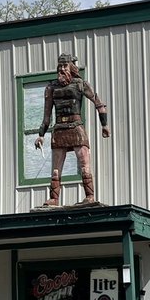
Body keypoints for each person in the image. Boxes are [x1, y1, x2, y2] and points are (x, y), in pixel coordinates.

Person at [35, 53, 110, 206]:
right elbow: (46, 116)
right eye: (60, 66)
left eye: (65, 66)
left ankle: (89, 196)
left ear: (71, 67)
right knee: (55, 168)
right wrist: (41, 135)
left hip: (76, 127)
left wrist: (104, 125)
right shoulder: (51, 88)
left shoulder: (80, 84)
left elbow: (99, 103)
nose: (62, 69)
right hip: (59, 129)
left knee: (84, 163)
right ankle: (54, 198)